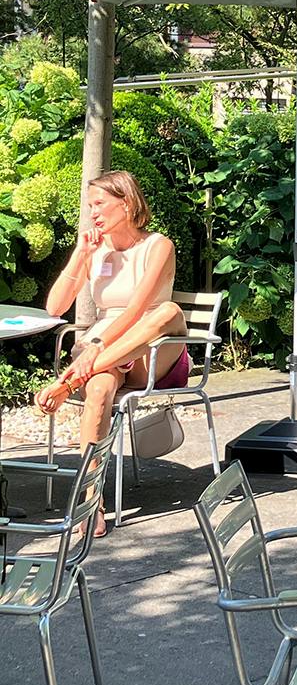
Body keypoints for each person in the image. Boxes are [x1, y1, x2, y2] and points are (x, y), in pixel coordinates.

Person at [34, 171, 187, 536]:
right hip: (102, 350)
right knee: (100, 390)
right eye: (90, 206)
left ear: (127, 203)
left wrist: (97, 348)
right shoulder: (97, 250)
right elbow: (55, 307)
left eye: (99, 204)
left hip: (154, 348)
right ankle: (91, 502)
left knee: (169, 312)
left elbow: (137, 310)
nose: (93, 214)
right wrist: (80, 255)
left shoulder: (158, 245)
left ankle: (66, 383)